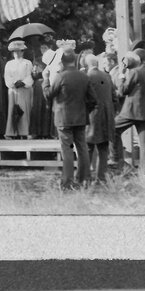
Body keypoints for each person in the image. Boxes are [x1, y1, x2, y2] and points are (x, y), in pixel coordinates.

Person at [44, 45, 97, 189]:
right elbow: (93, 100)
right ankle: (84, 178)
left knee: (67, 149)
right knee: (82, 148)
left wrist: (46, 80)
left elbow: (49, 94)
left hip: (63, 119)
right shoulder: (84, 76)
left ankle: (67, 182)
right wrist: (84, 110)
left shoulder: (61, 76)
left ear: (61, 61)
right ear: (74, 59)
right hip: (80, 118)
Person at [113, 50, 145, 179]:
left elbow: (123, 90)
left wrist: (121, 75)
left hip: (130, 111)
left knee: (112, 129)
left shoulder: (135, 72)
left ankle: (119, 162)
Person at [84, 53, 116, 183]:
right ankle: (101, 177)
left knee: (88, 147)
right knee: (103, 148)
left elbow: (85, 98)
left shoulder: (87, 77)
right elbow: (114, 97)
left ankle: (86, 176)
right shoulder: (107, 76)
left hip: (92, 115)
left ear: (87, 65)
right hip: (107, 115)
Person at [4, 39, 34, 139]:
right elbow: (7, 76)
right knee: (13, 110)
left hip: (24, 90)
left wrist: (23, 82)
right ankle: (13, 132)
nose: (16, 53)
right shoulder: (9, 64)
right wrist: (13, 83)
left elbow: (29, 76)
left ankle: (24, 132)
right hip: (13, 90)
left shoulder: (27, 63)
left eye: (19, 51)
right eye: (14, 51)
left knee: (24, 110)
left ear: (22, 52)